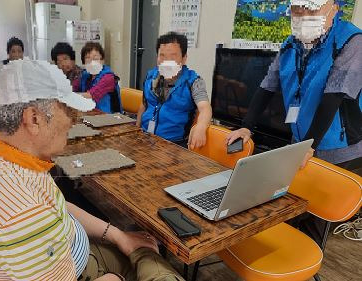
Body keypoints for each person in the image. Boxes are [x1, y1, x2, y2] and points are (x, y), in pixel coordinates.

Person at [0, 59, 184, 281]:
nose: (73, 121)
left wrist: (117, 235)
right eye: (67, 110)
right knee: (158, 265)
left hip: (72, 255)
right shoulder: (24, 215)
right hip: (81, 269)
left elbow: (58, 206)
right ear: (33, 119)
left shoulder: (1, 159)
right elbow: (38, 218)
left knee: (146, 252)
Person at [226, 0, 362, 246]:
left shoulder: (352, 42)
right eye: (298, 8)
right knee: (290, 208)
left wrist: (309, 144)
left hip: (337, 147)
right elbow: (267, 87)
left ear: (333, 7)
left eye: (312, 7)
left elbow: (333, 97)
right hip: (301, 140)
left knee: (314, 219)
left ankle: (302, 264)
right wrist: (247, 126)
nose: (304, 15)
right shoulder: (290, 45)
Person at [136, 32, 212, 149]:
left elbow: (205, 108)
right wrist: (137, 129)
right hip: (145, 137)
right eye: (162, 56)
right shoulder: (150, 76)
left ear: (184, 58)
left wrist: (201, 127)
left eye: (173, 56)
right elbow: (144, 104)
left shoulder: (193, 81)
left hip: (174, 144)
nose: (167, 62)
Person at [74, 42, 122, 113]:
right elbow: (73, 87)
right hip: (90, 113)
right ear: (83, 62)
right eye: (88, 58)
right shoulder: (85, 75)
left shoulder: (108, 77)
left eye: (95, 58)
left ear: (102, 60)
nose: (92, 62)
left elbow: (90, 96)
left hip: (108, 117)